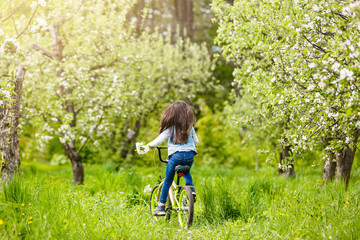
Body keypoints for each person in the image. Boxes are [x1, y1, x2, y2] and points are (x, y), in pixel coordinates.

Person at [147, 101, 198, 216]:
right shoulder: (190, 127)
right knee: (186, 171)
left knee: (168, 180)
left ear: (172, 114)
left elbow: (159, 140)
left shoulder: (171, 128)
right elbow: (196, 141)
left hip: (176, 156)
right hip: (190, 156)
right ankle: (191, 189)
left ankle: (160, 206)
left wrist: (148, 146)